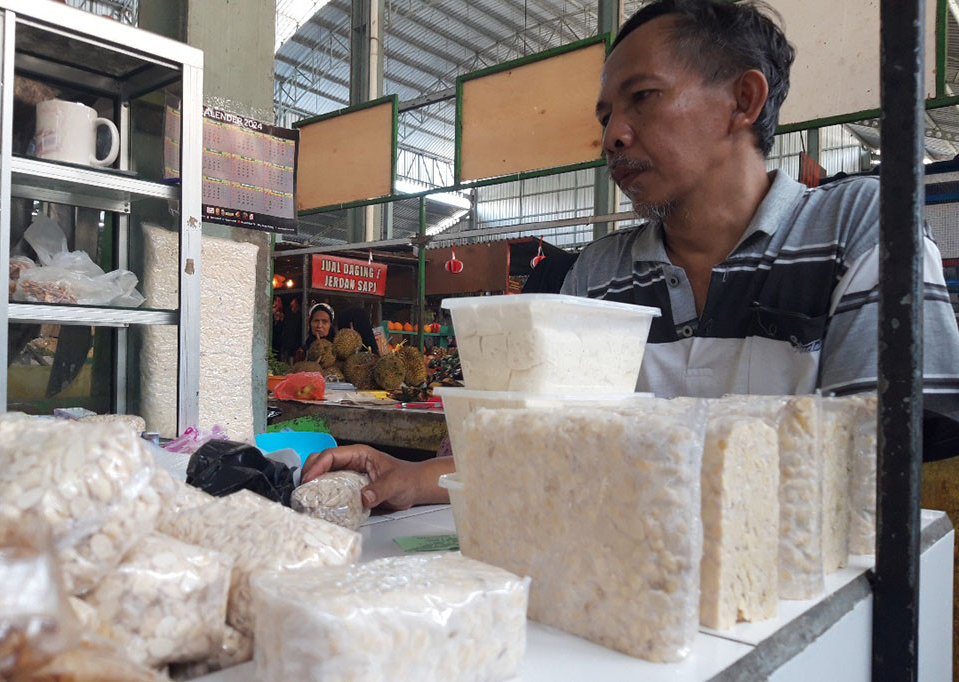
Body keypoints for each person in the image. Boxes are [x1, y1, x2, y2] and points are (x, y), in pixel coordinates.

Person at [302, 0, 959, 507]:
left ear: (744, 100)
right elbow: (551, 448)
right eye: (605, 116)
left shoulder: (859, 228)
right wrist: (414, 477)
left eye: (643, 98)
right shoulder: (600, 275)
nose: (613, 136)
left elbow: (878, 465)